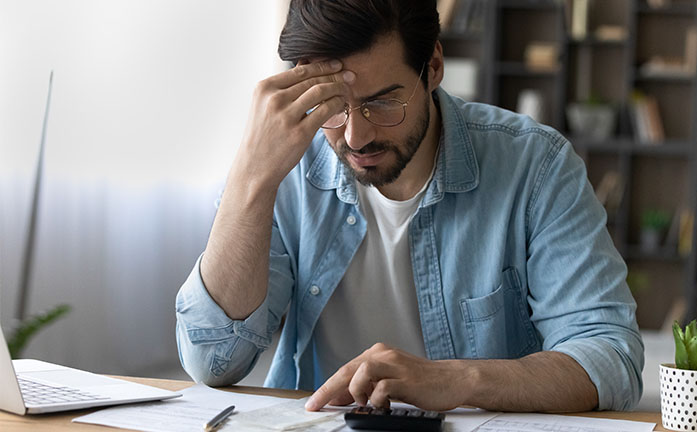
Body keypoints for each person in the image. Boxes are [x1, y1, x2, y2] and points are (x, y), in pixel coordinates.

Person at [175, 0, 644, 413]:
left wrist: (455, 380)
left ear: (433, 66)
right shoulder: (283, 167)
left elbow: (610, 358)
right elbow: (213, 361)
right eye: (334, 107)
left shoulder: (535, 166)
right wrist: (250, 179)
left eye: (382, 103)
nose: (356, 137)